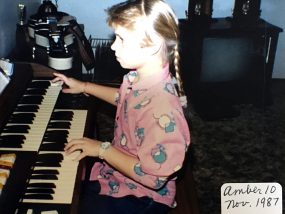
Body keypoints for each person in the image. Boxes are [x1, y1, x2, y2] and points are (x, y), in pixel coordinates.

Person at [52, 0, 190, 213]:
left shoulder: (163, 111)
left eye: (121, 39)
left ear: (152, 45)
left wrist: (101, 149)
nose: (113, 45)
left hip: (145, 195)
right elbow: (126, 100)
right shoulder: (139, 77)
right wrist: (85, 86)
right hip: (122, 173)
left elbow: (153, 179)